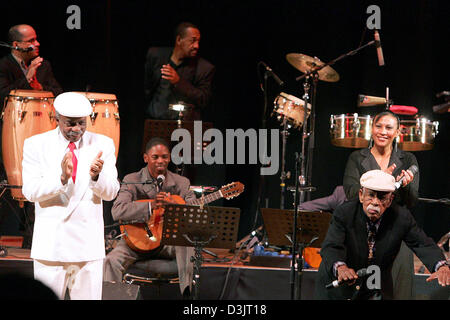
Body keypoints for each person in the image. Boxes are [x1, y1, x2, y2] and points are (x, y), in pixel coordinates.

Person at [301, 111, 419, 299]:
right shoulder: (357, 158)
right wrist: (383, 180)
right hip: (360, 227)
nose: (383, 131)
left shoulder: (408, 160)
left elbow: (411, 200)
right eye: (378, 126)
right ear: (371, 129)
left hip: (392, 228)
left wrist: (402, 187)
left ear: (397, 132)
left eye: (389, 128)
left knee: (399, 284)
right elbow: (351, 193)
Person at [21, 92, 120, 300]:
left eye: (81, 123)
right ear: (56, 118)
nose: (77, 129)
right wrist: (61, 180)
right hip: (51, 248)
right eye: (70, 124)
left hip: (88, 250)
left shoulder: (103, 144)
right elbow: (29, 191)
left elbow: (111, 192)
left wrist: (96, 177)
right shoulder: (36, 144)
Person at [314, 170, 449, 300]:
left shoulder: (401, 217)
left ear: (390, 200)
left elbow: (422, 243)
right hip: (337, 288)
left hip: (373, 287)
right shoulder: (344, 213)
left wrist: (441, 266)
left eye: (382, 197)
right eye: (371, 195)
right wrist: (340, 267)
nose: (375, 202)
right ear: (361, 195)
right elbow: (332, 246)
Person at [103, 137, 196, 297]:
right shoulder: (132, 180)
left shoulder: (181, 183)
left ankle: (188, 296)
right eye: (155, 157)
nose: (160, 161)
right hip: (136, 242)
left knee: (187, 244)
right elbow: (117, 211)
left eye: (165, 157)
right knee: (111, 261)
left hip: (168, 241)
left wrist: (174, 204)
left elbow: (195, 211)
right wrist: (150, 205)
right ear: (146, 158)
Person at [144, 22, 215, 120]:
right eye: (193, 41)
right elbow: (147, 88)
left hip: (185, 128)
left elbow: (203, 99)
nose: (196, 46)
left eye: (198, 41)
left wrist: (178, 82)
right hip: (155, 123)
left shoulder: (204, 68)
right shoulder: (156, 56)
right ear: (179, 40)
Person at [0, 24, 62, 104]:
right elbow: (3, 95)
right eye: (31, 41)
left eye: (36, 39)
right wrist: (27, 78)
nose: (37, 44)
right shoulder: (3, 65)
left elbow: (59, 93)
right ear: (16, 45)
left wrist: (39, 87)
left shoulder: (42, 65)